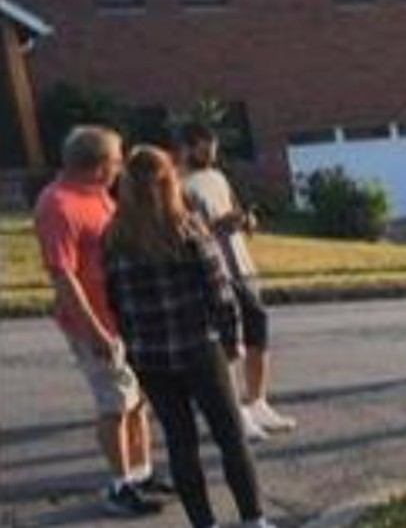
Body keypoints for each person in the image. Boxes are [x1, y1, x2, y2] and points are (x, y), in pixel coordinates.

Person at [104, 145, 276, 528]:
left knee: (181, 444)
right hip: (199, 346)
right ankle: (253, 519)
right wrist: (232, 342)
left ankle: (204, 523)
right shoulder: (187, 227)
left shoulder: (114, 236)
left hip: (150, 356)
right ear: (170, 182)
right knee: (230, 437)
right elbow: (220, 291)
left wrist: (132, 347)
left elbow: (115, 300)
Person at [33, 126, 168, 517]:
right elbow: (63, 276)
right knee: (115, 403)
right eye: (116, 159)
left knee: (137, 399)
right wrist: (95, 332)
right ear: (97, 166)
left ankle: (141, 473)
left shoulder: (98, 197)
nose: (121, 166)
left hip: (123, 316)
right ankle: (119, 485)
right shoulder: (57, 205)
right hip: (96, 324)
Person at [179, 124, 295, 441]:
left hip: (242, 265)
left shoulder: (217, 177)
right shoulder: (180, 185)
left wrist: (246, 220)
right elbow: (190, 229)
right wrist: (220, 224)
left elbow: (232, 208)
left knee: (258, 329)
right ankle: (236, 413)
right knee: (230, 342)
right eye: (205, 147)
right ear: (187, 148)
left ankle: (258, 401)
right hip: (215, 271)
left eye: (213, 147)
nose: (211, 154)